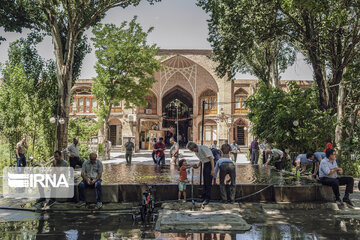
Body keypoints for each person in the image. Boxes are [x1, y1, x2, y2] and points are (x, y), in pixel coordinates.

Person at [186, 141, 215, 206]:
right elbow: (202, 159)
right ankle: (204, 196)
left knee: (208, 181)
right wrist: (198, 165)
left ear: (195, 147)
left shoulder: (203, 148)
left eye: (193, 149)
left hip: (210, 163)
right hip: (205, 163)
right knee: (205, 180)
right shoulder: (196, 152)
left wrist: (213, 169)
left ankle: (207, 198)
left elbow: (211, 158)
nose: (193, 151)